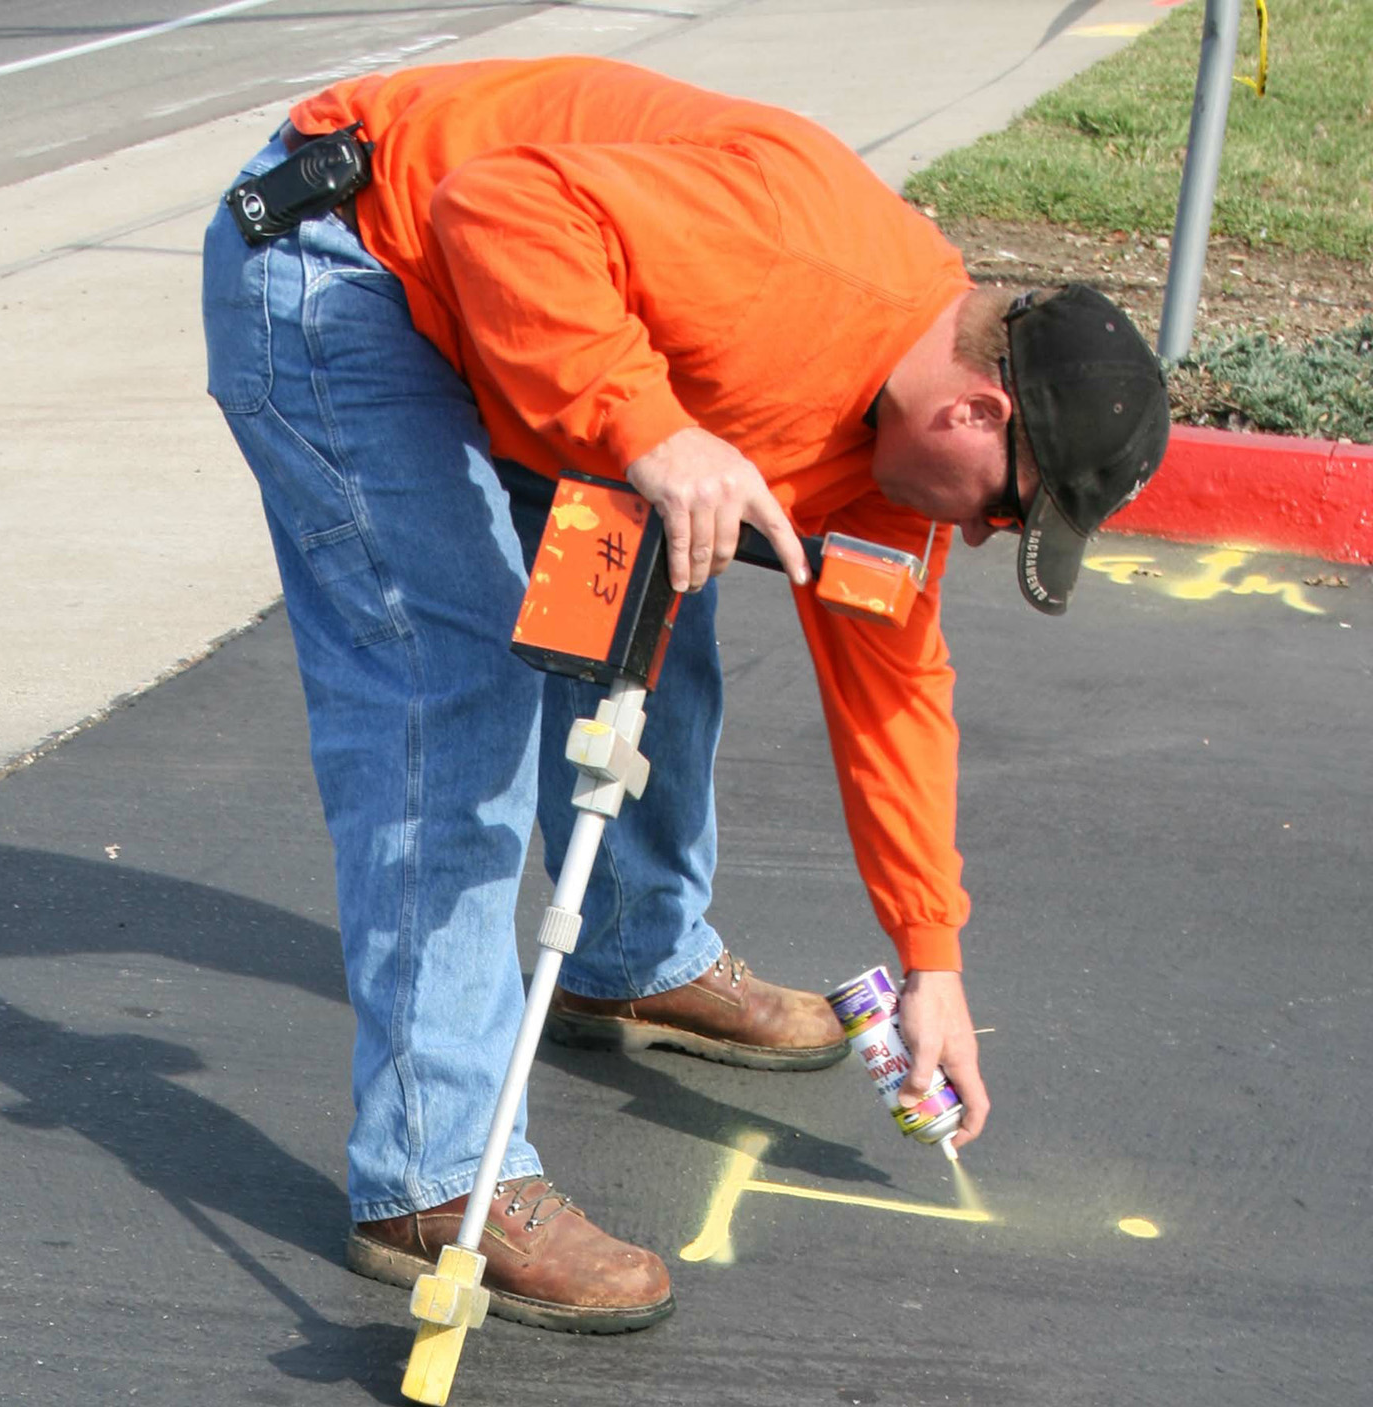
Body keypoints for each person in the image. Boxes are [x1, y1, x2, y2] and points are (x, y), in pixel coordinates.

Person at [200, 57, 1168, 1335]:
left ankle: (629, 954)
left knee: (669, 597)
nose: (987, 537)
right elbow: (493, 209)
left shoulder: (892, 454)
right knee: (452, 698)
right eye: (1007, 504)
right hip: (350, 264)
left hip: (524, 319)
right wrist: (650, 429)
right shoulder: (787, 279)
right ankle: (435, 1178)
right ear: (978, 408)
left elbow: (892, 695)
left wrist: (929, 960)